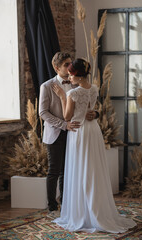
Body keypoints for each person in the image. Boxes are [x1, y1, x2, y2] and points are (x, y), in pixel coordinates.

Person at [52, 58, 136, 233]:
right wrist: (94, 113)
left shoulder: (72, 94)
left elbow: (67, 117)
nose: (69, 79)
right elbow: (91, 109)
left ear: (78, 76)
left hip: (79, 132)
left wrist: (62, 96)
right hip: (93, 131)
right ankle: (94, 210)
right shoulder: (94, 89)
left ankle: (83, 213)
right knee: (92, 169)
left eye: (71, 75)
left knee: (81, 170)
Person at [39, 52, 97, 218]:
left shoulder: (76, 83)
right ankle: (51, 207)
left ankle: (66, 205)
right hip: (56, 133)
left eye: (71, 63)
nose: (70, 67)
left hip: (75, 133)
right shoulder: (47, 86)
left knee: (68, 171)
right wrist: (64, 125)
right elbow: (43, 112)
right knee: (54, 171)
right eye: (66, 64)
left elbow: (86, 105)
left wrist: (96, 114)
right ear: (57, 67)